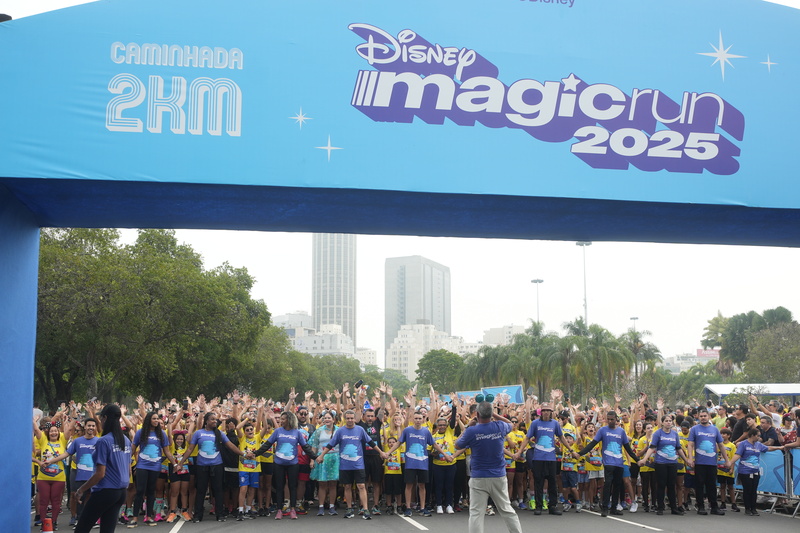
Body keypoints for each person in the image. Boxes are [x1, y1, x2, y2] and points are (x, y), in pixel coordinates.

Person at [455, 400, 522, 533]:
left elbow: (457, 445)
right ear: (491, 414)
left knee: (476, 513)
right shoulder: (499, 426)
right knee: (507, 510)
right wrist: (495, 415)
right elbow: (510, 423)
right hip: (498, 476)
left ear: (478, 414)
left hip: (479, 477)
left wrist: (468, 426)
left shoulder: (472, 431)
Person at [177, 412, 247, 523]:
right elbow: (190, 449)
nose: (215, 421)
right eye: (212, 419)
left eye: (215, 419)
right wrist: (180, 463)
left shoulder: (219, 433)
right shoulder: (198, 433)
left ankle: (219, 515)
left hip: (217, 465)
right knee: (201, 490)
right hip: (201, 466)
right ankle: (198, 515)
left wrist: (243, 454)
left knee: (218, 490)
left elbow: (231, 446)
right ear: (206, 421)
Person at [316, 409, 386, 519]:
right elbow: (331, 445)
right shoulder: (340, 431)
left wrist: (381, 452)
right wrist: (321, 455)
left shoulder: (360, 430)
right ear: (345, 419)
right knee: (347, 486)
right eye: (347, 418)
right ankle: (349, 509)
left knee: (361, 486)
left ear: (355, 419)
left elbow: (371, 442)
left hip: (358, 464)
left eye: (352, 418)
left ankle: (366, 509)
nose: (350, 420)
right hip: (345, 464)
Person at [74, 404, 132, 533]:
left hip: (105, 491)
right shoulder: (126, 440)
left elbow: (100, 474)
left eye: (101, 418)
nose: (100, 421)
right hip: (121, 492)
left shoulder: (103, 441)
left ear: (105, 418)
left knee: (81, 529)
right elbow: (128, 470)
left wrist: (81, 489)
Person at [385, 411, 453, 517]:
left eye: (419, 418)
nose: (417, 420)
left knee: (422, 485)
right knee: (409, 485)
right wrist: (388, 452)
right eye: (416, 418)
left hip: (423, 463)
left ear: (422, 419)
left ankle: (422, 508)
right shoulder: (407, 430)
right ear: (413, 419)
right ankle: (408, 508)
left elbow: (434, 445)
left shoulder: (426, 431)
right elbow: (398, 442)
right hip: (410, 463)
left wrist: (445, 454)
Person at [252, 410, 316, 520]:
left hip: (293, 464)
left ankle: (292, 510)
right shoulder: (278, 432)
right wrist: (255, 453)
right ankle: (280, 510)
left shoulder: (297, 433)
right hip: (278, 464)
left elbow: (306, 447)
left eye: (283, 419)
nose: (281, 421)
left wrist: (316, 457)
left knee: (292, 486)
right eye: (280, 419)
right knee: (280, 487)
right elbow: (267, 445)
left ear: (289, 420)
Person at [573, 411, 638, 517]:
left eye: (612, 419)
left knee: (617, 485)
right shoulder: (603, 430)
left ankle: (613, 508)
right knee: (607, 484)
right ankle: (605, 508)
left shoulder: (621, 431)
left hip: (619, 462)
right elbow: (592, 444)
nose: (610, 421)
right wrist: (579, 454)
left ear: (616, 419)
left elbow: (628, 449)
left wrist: (637, 459)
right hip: (608, 462)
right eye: (608, 419)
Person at [513, 402, 572, 515]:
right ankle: (538, 506)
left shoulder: (555, 424)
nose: (546, 412)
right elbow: (527, 438)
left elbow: (561, 437)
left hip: (551, 457)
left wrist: (571, 450)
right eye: (544, 410)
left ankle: (552, 506)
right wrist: (520, 451)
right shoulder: (535, 423)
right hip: (538, 457)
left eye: (548, 410)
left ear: (551, 412)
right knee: (538, 482)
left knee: (552, 482)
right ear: (541, 412)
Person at [47, 418, 100, 527]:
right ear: (84, 427)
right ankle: (79, 520)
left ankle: (90, 520)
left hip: (94, 476)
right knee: (79, 498)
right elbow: (66, 454)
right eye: (89, 425)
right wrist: (50, 461)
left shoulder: (99, 441)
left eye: (93, 426)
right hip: (80, 476)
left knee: (91, 498)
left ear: (95, 428)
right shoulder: (77, 441)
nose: (91, 428)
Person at [130, 412, 176, 527]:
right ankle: (135, 518)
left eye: (157, 419)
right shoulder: (140, 433)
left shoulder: (161, 434)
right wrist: (125, 461)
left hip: (155, 466)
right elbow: (133, 448)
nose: (156, 421)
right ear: (148, 420)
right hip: (142, 466)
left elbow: (167, 451)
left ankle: (149, 517)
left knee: (151, 491)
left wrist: (175, 464)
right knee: (140, 491)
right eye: (154, 419)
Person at [637, 415, 690, 516]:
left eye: (670, 421)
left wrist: (686, 460)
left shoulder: (674, 434)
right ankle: (660, 507)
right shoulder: (658, 433)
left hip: (673, 463)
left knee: (671, 486)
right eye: (666, 421)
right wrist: (644, 459)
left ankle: (674, 508)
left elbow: (678, 448)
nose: (669, 422)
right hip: (661, 463)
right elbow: (652, 447)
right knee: (661, 485)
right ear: (662, 423)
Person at [731, 428, 784, 516]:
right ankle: (747, 508)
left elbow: (768, 448)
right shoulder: (743, 444)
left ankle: (753, 508)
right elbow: (738, 455)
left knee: (754, 490)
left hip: (755, 470)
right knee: (747, 490)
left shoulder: (758, 445)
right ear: (752, 435)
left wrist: (779, 447)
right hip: (745, 471)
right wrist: (730, 462)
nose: (759, 437)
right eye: (758, 435)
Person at [687, 409, 729, 516]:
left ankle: (714, 507)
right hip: (700, 462)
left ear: (709, 416)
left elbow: (721, 445)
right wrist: (690, 458)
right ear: (698, 417)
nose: (703, 418)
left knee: (712, 485)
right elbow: (690, 445)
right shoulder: (694, 429)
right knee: (699, 485)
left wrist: (727, 460)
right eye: (701, 416)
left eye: (705, 416)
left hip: (712, 462)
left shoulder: (714, 430)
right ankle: (700, 506)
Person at [308, 411, 339, 516]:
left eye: (329, 418)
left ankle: (331, 506)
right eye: (325, 418)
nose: (327, 420)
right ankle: (321, 507)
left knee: (333, 483)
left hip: (335, 458)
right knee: (322, 483)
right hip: (322, 459)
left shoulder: (339, 430)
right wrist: (312, 459)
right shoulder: (319, 431)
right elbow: (314, 445)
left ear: (333, 419)